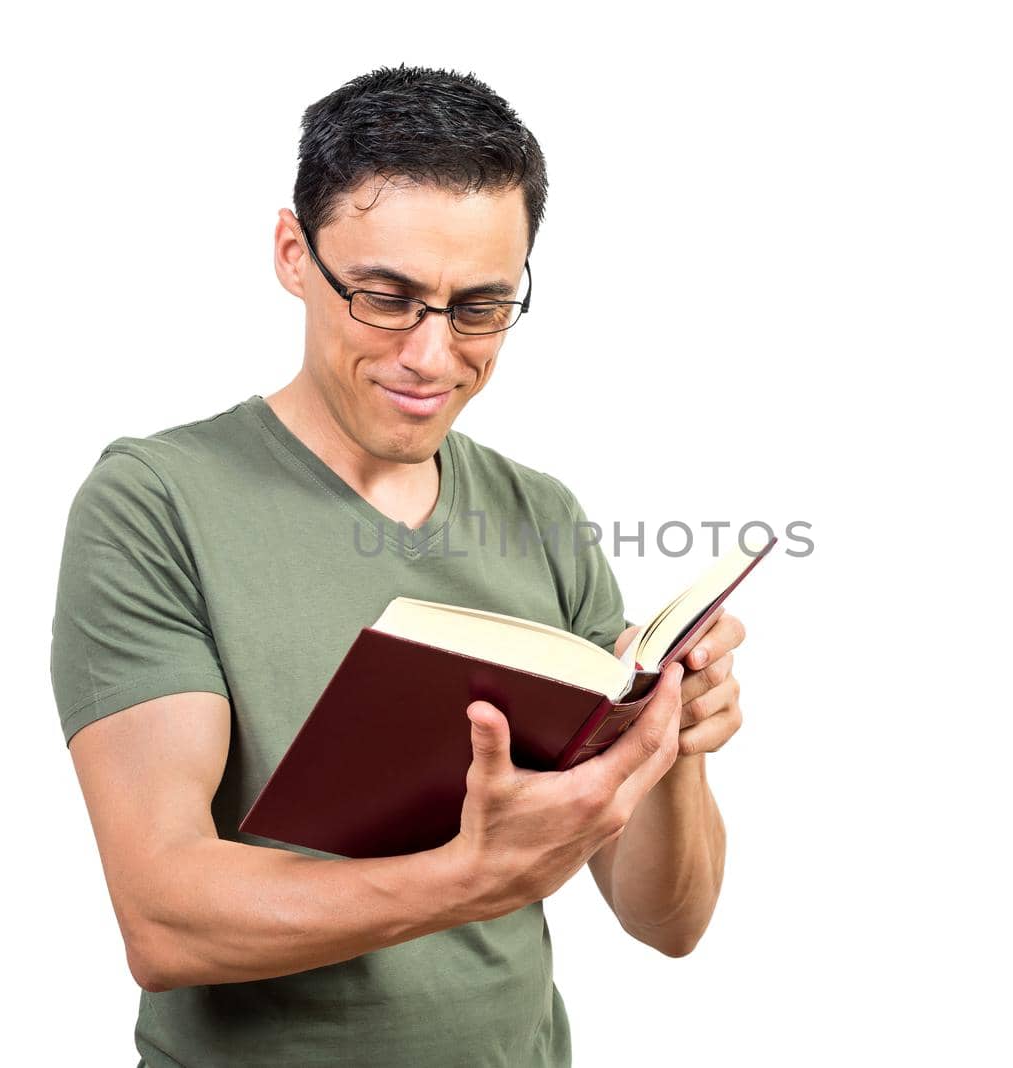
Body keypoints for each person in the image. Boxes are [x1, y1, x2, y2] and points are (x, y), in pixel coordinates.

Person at [50, 64, 748, 1067]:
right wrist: (473, 878)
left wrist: (670, 732)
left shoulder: (540, 516)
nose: (430, 356)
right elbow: (165, 920)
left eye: (479, 309)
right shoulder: (157, 503)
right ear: (294, 253)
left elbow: (669, 923)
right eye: (386, 298)